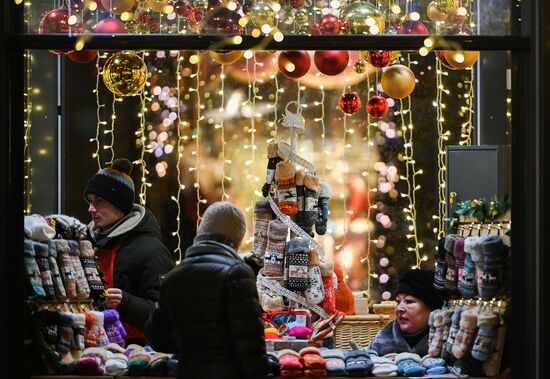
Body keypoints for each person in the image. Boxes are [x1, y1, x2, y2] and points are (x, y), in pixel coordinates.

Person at [145, 201, 270, 379]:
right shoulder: (237, 273)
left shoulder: (174, 277)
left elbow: (158, 339)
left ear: (201, 232)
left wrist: (190, 345)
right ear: (236, 239)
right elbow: (251, 346)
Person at [84, 158, 174, 345]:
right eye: (90, 201)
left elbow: (167, 312)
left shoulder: (152, 251)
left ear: (120, 204)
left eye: (99, 201)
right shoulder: (88, 244)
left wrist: (125, 302)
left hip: (137, 353)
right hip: (92, 346)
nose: (91, 209)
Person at [368, 269, 443, 356]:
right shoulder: (379, 344)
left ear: (431, 308)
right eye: (398, 301)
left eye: (409, 301)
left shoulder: (449, 345)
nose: (399, 308)